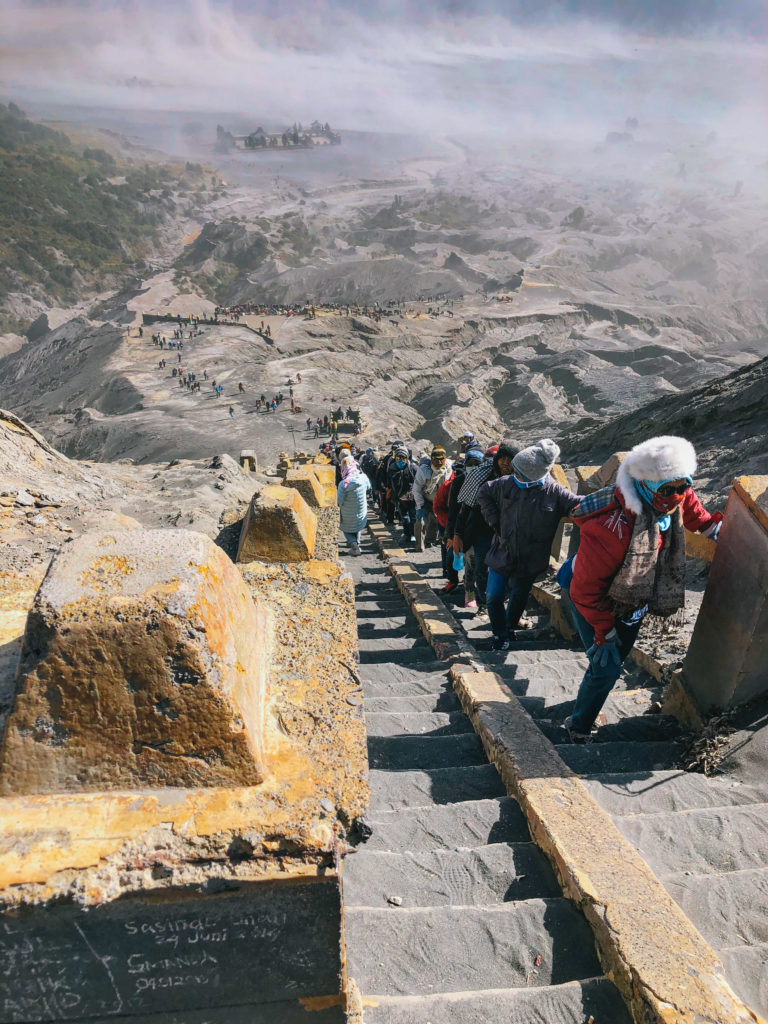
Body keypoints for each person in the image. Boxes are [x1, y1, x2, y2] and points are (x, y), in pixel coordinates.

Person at [561, 435, 723, 742]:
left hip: (632, 597)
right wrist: (603, 632)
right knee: (606, 664)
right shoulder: (612, 528)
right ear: (646, 485)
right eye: (668, 489)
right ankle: (577, 727)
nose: (676, 495)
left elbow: (688, 505)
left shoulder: (667, 492)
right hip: (589, 593)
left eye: (682, 485)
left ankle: (589, 696)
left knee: (613, 658)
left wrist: (713, 528)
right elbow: (586, 592)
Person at [478, 439, 579, 651]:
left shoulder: (554, 492)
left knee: (519, 596)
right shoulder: (505, 483)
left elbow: (579, 505)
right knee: (493, 595)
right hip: (502, 551)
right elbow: (484, 492)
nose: (514, 476)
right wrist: (493, 519)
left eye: (519, 474)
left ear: (535, 474)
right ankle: (499, 634)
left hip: (530, 558)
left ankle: (507, 628)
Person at [455, 443, 517, 616]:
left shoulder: (521, 478)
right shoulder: (482, 476)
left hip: (509, 533)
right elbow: (466, 507)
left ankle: (505, 604)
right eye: (502, 459)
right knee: (481, 569)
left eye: (510, 460)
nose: (505, 463)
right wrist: (457, 533)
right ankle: (484, 604)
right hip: (482, 531)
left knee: (508, 569)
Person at [447, 442, 484, 606]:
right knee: (471, 563)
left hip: (485, 529)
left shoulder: (489, 480)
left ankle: (483, 598)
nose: (474, 467)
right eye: (470, 464)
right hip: (466, 529)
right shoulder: (459, 481)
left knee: (483, 566)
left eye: (478, 464)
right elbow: (453, 510)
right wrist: (451, 535)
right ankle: (469, 592)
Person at [413, 445, 452, 552]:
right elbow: (416, 489)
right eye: (436, 459)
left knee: (435, 522)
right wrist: (420, 505)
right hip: (426, 500)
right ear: (431, 458)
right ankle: (419, 545)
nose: (439, 462)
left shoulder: (448, 468)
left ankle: (429, 540)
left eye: (441, 459)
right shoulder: (423, 470)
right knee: (421, 522)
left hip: (440, 501)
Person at [433, 456, 460, 594]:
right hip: (450, 525)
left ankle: (472, 590)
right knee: (449, 555)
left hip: (472, 528)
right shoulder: (447, 487)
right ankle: (452, 580)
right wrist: (449, 528)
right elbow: (437, 507)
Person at [337, 458, 371, 556]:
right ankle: (357, 543)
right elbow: (369, 487)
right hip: (360, 509)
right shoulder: (363, 477)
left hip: (347, 512)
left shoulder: (343, 484)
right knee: (358, 525)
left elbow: (338, 501)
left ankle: (354, 545)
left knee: (346, 528)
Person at [388, 445, 419, 542]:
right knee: (404, 518)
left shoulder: (413, 468)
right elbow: (390, 483)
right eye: (398, 458)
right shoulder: (392, 469)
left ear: (407, 458)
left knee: (413, 517)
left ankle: (413, 534)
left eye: (403, 458)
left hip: (412, 498)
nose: (401, 460)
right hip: (399, 498)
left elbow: (418, 482)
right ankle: (406, 534)